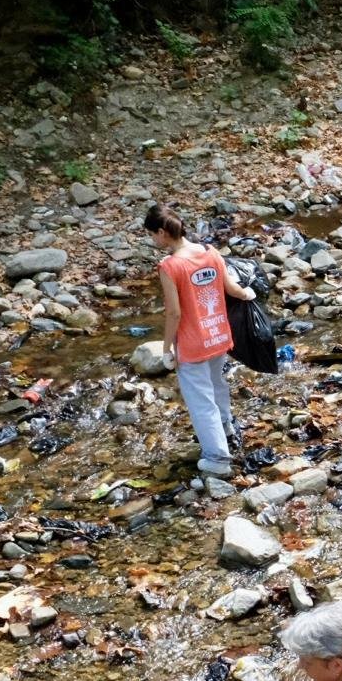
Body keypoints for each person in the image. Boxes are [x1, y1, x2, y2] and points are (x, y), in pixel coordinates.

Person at [145, 203, 254, 478]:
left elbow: (174, 312)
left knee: (200, 400)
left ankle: (217, 458)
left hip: (193, 344)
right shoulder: (209, 251)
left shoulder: (170, 265)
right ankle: (227, 427)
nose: (152, 241)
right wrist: (247, 295)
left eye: (152, 235)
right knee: (218, 384)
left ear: (162, 232)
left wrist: (168, 348)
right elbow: (231, 288)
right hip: (218, 333)